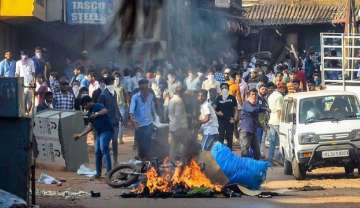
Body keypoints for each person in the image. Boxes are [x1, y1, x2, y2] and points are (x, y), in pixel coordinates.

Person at [74, 96, 113, 178]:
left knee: (104, 148)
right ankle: (98, 173)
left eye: (84, 105)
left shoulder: (97, 106)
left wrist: (96, 114)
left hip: (106, 130)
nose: (84, 108)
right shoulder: (89, 113)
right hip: (99, 133)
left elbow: (105, 110)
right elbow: (90, 126)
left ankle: (109, 172)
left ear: (88, 103)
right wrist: (80, 135)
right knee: (97, 152)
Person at [129, 79, 157, 160]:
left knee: (148, 144)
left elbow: (153, 108)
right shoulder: (135, 97)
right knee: (141, 145)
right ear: (140, 88)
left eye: (146, 88)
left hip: (149, 123)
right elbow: (131, 112)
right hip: (139, 125)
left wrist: (156, 118)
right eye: (143, 89)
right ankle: (142, 162)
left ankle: (147, 163)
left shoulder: (151, 96)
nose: (145, 90)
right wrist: (134, 123)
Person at [98, 76, 122, 165]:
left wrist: (119, 114)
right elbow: (100, 108)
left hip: (115, 121)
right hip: (107, 122)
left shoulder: (114, 93)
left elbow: (116, 105)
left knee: (115, 141)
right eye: (112, 82)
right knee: (106, 143)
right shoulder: (103, 95)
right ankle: (105, 162)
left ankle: (115, 160)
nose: (113, 84)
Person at [239, 88, 267, 160]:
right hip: (245, 131)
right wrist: (264, 108)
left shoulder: (255, 105)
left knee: (257, 153)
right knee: (245, 152)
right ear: (249, 95)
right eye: (252, 94)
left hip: (253, 131)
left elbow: (256, 119)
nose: (254, 96)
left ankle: (256, 168)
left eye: (255, 94)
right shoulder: (246, 104)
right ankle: (244, 168)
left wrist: (262, 126)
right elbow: (252, 110)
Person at [168, 85, 189, 163]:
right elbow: (178, 116)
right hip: (179, 127)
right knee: (184, 145)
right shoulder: (179, 101)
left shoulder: (172, 99)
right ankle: (182, 161)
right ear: (180, 92)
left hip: (172, 125)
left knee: (173, 146)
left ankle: (171, 162)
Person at [214, 83, 237, 150]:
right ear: (221, 90)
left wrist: (235, 119)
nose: (224, 89)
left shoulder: (232, 98)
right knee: (221, 137)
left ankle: (229, 152)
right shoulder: (218, 98)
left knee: (229, 137)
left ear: (228, 89)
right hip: (221, 121)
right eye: (223, 88)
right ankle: (220, 152)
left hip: (230, 120)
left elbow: (236, 110)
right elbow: (213, 109)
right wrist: (218, 113)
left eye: (225, 88)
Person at [267, 83, 286, 165]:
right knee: (282, 141)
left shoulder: (270, 96)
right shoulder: (279, 96)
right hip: (277, 121)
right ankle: (280, 159)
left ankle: (270, 160)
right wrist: (281, 122)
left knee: (272, 142)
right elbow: (279, 110)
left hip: (271, 120)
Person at [113, 72, 127, 144]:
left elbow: (125, 95)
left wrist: (127, 103)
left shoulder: (122, 86)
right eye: (115, 77)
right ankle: (114, 138)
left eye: (118, 77)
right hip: (114, 107)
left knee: (120, 122)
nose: (117, 78)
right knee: (114, 123)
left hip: (121, 106)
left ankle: (120, 138)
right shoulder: (111, 87)